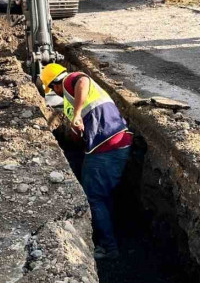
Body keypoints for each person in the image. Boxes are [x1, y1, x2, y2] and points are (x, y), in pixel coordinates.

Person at [40, 63, 132, 260]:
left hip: (107, 145)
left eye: (52, 89)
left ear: (55, 84)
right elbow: (76, 136)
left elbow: (83, 80)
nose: (55, 93)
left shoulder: (70, 80)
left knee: (94, 197)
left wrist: (77, 113)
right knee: (103, 195)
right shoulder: (69, 99)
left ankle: (108, 247)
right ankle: (112, 236)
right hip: (113, 143)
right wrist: (76, 130)